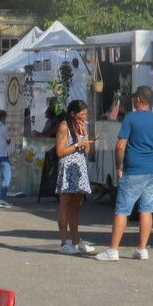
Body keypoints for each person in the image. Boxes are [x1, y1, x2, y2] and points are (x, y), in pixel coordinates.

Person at [98, 86, 153, 262]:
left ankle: (113, 250)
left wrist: (118, 167)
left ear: (138, 99)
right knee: (147, 210)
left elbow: (120, 146)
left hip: (134, 170)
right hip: (152, 170)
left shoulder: (130, 118)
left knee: (122, 210)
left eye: (134, 97)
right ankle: (142, 249)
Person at [55, 99, 94, 254]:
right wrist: (77, 145)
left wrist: (83, 136)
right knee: (65, 205)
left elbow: (87, 150)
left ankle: (76, 241)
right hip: (67, 169)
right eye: (81, 114)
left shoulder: (82, 126)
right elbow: (60, 152)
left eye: (85, 114)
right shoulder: (64, 126)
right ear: (72, 113)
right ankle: (64, 243)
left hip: (79, 169)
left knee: (76, 207)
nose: (83, 117)